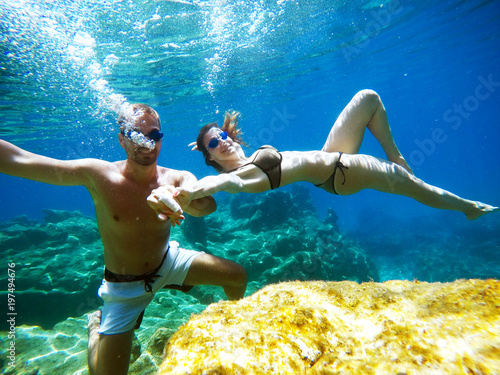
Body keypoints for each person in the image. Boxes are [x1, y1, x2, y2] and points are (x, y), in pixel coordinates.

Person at [0, 104, 247, 375]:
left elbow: (206, 206)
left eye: (154, 135)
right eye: (135, 135)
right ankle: (96, 329)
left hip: (168, 261)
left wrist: (181, 198)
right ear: (121, 139)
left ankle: (230, 330)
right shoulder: (98, 174)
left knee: (237, 276)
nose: (147, 144)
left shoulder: (174, 177)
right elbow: (18, 161)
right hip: (123, 285)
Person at [148, 90, 497, 221]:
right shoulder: (240, 175)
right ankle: (468, 207)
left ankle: (398, 156)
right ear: (210, 158)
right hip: (342, 174)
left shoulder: (251, 155)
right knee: (412, 186)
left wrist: (210, 141)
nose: (222, 141)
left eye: (222, 135)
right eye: (213, 144)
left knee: (368, 98)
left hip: (332, 157)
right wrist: (189, 192)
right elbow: (219, 183)